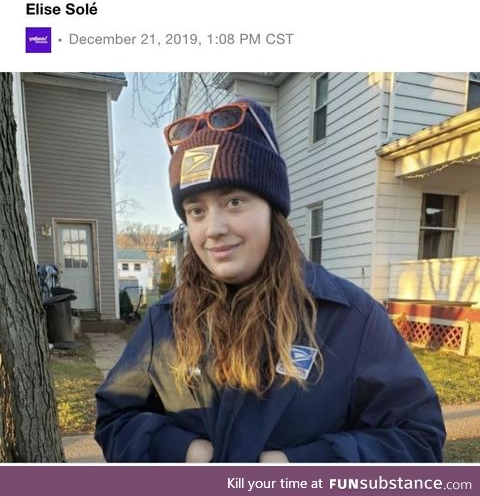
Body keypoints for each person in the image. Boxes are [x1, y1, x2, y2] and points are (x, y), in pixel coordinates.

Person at [95, 98, 445, 463]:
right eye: (196, 210)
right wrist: (186, 452)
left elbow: (417, 441)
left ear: (272, 210)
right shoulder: (166, 320)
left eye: (234, 201)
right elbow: (116, 418)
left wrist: (295, 467)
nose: (213, 228)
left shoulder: (349, 318)